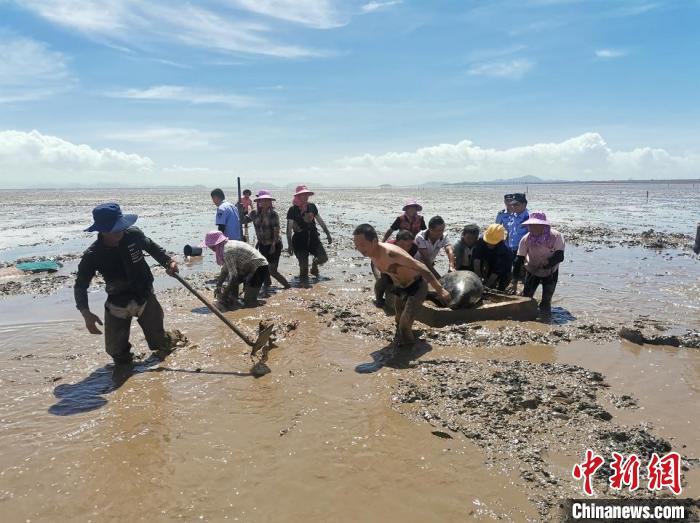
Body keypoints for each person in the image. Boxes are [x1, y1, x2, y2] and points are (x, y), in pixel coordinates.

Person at [74, 203, 183, 366]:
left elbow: (153, 248)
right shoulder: (93, 254)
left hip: (144, 295)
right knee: (116, 352)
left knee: (160, 343)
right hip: (117, 301)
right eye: (115, 228)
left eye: (121, 226)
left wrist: (169, 262)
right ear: (102, 230)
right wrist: (86, 313)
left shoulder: (133, 235)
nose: (121, 231)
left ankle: (175, 336)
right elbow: (80, 285)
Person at [353, 224, 450, 353]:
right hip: (399, 287)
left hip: (416, 286)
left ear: (375, 241)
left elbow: (422, 267)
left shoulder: (391, 253)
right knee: (398, 319)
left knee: (404, 324)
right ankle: (402, 339)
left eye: (362, 245)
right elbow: (380, 269)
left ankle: (407, 354)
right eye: (357, 245)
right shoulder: (370, 253)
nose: (359, 249)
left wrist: (439, 289)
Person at [513, 211, 565, 314]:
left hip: (551, 271)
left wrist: (548, 263)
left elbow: (560, 256)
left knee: (546, 301)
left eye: (536, 225)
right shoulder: (526, 239)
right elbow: (518, 260)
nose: (532, 228)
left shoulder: (556, 237)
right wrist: (514, 280)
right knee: (526, 298)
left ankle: (546, 319)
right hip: (532, 270)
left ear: (543, 225)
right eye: (530, 226)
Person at [203, 231, 269, 307]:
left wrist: (225, 294)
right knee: (231, 284)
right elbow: (225, 269)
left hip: (259, 268)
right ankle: (235, 300)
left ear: (215, 244)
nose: (210, 248)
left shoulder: (227, 251)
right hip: (248, 268)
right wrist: (219, 284)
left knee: (249, 302)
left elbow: (234, 277)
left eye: (210, 246)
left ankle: (264, 306)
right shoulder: (224, 246)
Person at [243, 190, 290, 289]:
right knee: (264, 268)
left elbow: (276, 231)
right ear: (258, 202)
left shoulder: (273, 214)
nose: (265, 203)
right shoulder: (254, 214)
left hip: (274, 244)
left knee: (272, 270)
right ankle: (267, 287)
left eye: (267, 201)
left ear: (270, 202)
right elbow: (243, 221)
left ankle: (287, 286)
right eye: (262, 201)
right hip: (262, 245)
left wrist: (273, 245)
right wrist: (240, 210)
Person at [286, 185, 333, 282]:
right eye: (303, 195)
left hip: (313, 237)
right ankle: (303, 286)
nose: (306, 196)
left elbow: (320, 220)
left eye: (307, 194)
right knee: (303, 270)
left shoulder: (312, 207)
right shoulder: (293, 210)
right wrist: (290, 245)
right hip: (299, 241)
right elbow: (289, 230)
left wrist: (328, 234)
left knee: (323, 258)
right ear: (298, 196)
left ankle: (315, 264)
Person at [372, 230, 418, 307]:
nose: (406, 248)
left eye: (409, 245)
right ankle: (378, 299)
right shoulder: (387, 248)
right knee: (382, 279)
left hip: (396, 263)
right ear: (396, 242)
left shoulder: (414, 248)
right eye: (402, 245)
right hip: (377, 261)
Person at [473, 224, 513, 291]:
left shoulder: (505, 251)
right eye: (488, 242)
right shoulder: (481, 240)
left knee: (502, 284)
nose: (489, 244)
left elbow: (496, 271)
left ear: (500, 241)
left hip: (504, 265)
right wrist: (478, 278)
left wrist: (486, 286)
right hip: (489, 258)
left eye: (493, 243)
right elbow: (477, 260)